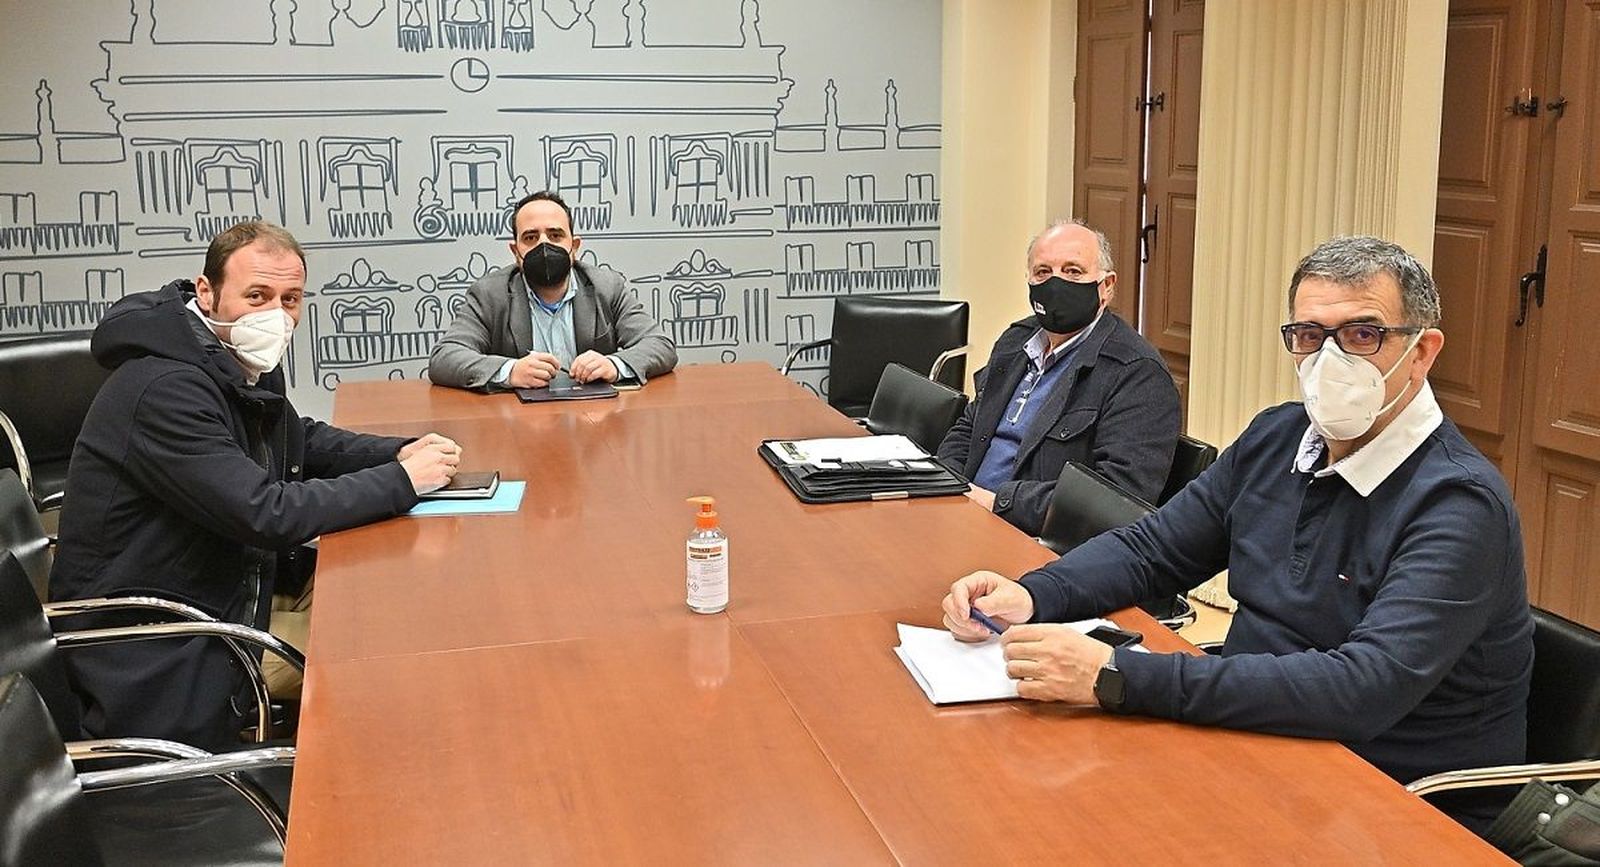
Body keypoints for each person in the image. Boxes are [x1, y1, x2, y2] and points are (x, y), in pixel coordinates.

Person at [940, 235, 1533, 834]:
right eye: (1308, 336)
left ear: (1423, 351)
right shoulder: (1276, 437)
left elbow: (1362, 688)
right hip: (1258, 736)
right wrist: (1036, 594)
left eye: (1361, 334)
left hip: (1390, 795)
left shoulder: (1459, 503)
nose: (1330, 360)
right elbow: (1154, 550)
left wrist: (1118, 676)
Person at [49, 221, 462, 750]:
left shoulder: (228, 355)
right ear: (206, 292)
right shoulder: (165, 389)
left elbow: (297, 440)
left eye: (291, 299)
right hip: (168, 648)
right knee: (380, 657)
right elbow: (268, 512)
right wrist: (402, 481)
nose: (276, 315)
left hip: (226, 585)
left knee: (399, 599)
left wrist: (396, 451)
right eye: (257, 296)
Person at [937, 219, 1180, 536]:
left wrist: (997, 502)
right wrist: (947, 484)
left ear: (1106, 286)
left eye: (1073, 272)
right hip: (966, 516)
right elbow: (971, 425)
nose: (1056, 284)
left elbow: (1117, 497)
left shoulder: (1137, 373)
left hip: (1042, 545)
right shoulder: (1015, 342)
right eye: (1043, 273)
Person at [428, 190, 678, 391]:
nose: (544, 245)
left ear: (574, 245)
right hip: (519, 427)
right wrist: (510, 371)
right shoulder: (489, 294)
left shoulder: (606, 286)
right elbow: (445, 357)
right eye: (531, 238)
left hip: (595, 424)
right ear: (516, 252)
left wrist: (614, 364)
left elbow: (659, 345)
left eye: (555, 235)